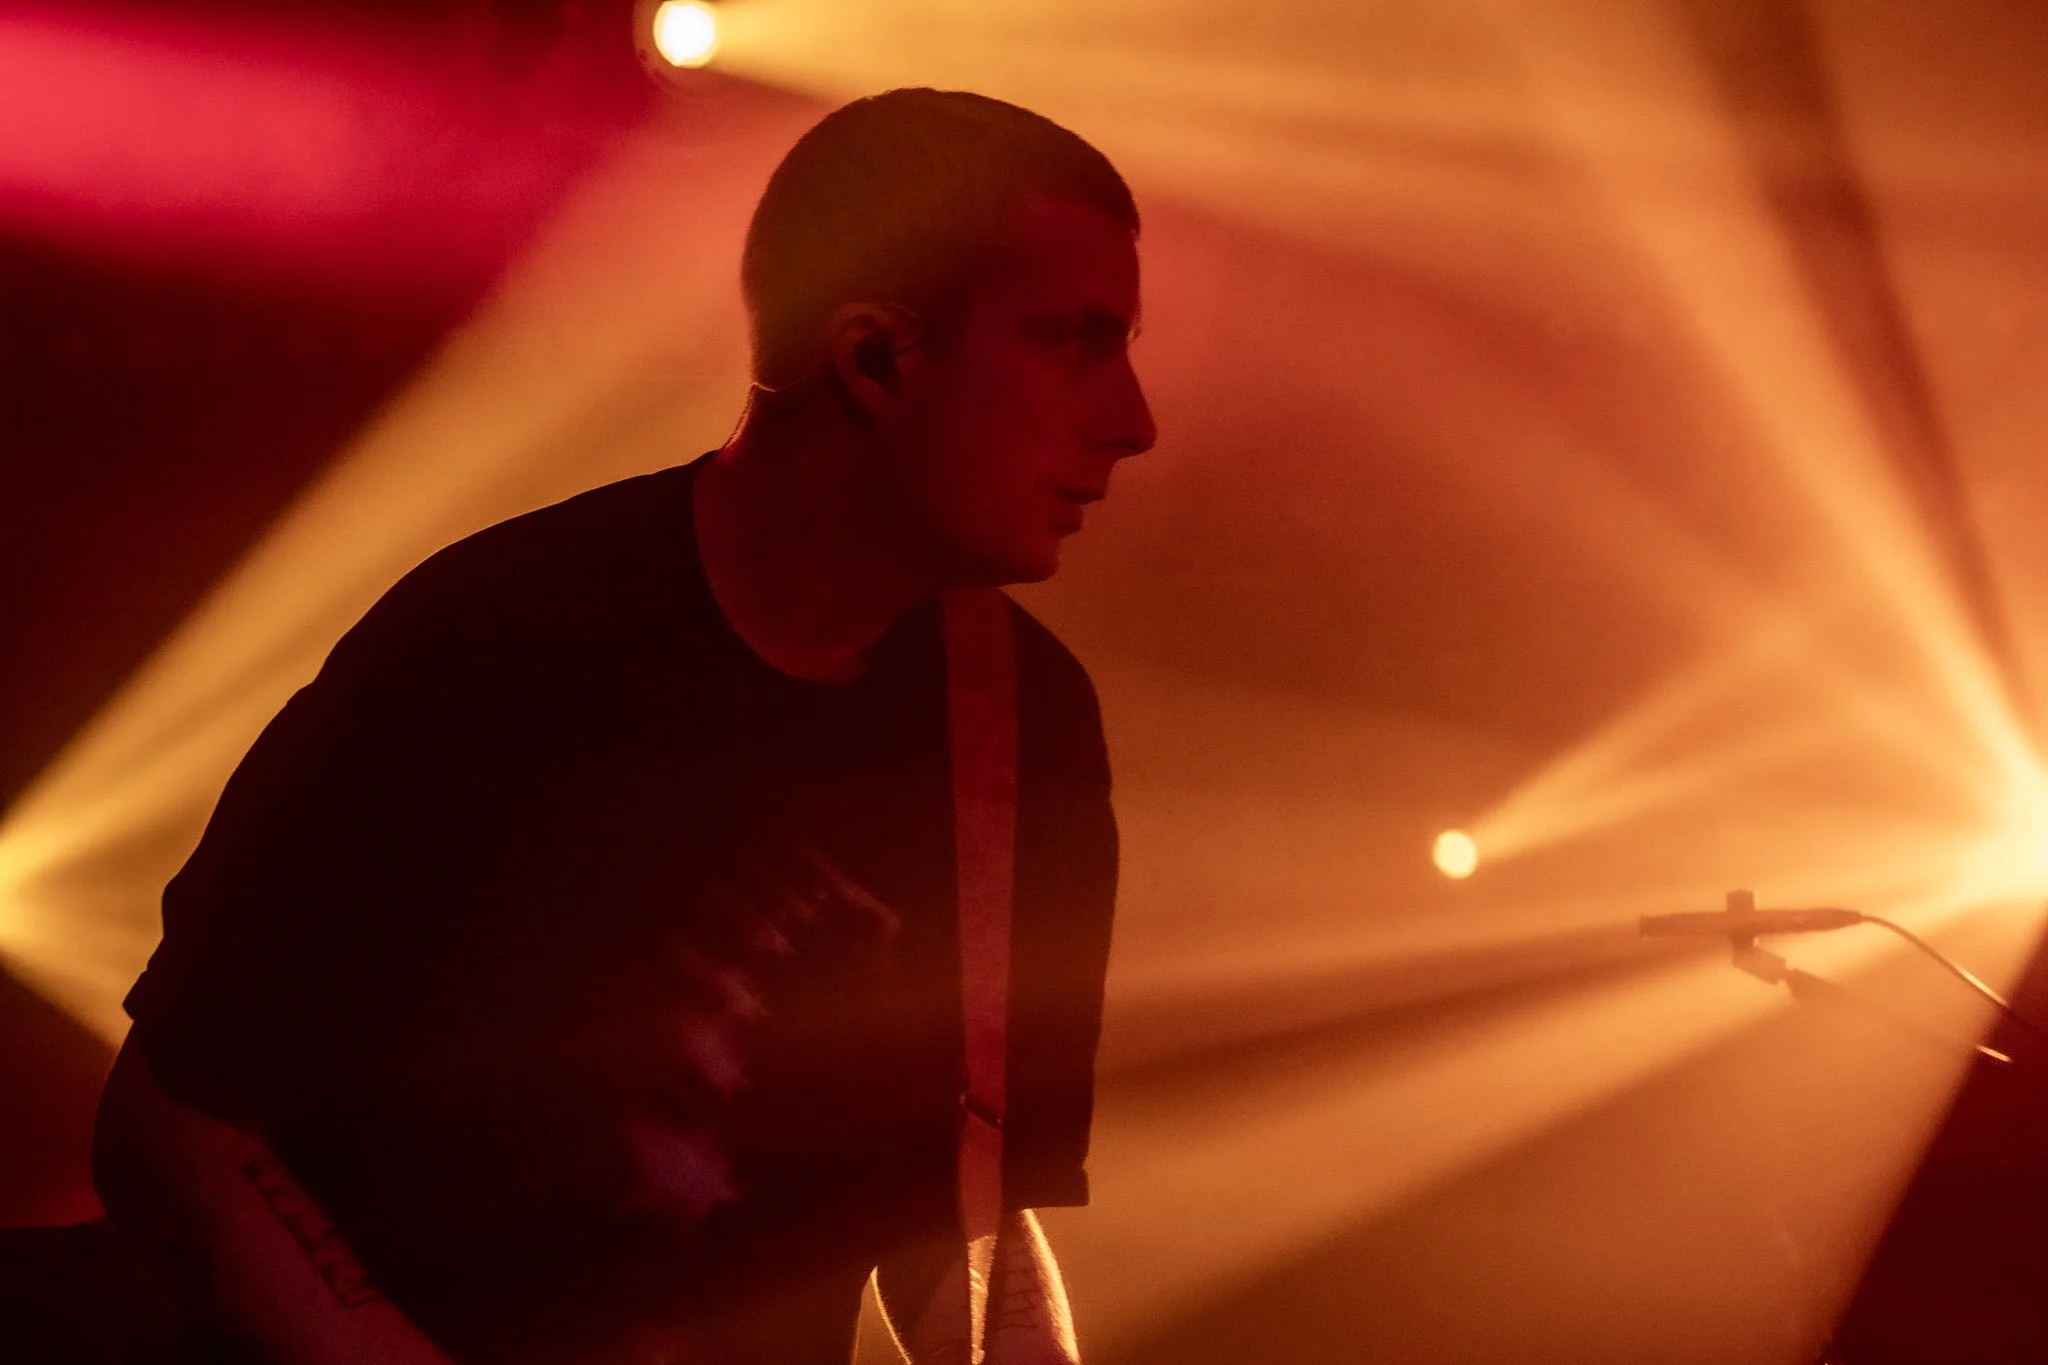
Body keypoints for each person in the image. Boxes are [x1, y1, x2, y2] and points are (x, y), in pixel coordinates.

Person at [92, 87, 1155, 1365]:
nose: (1132, 419)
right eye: (1072, 342)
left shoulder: (1024, 722)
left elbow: (951, 1208)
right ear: (876, 357)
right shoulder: (496, 643)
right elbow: (173, 1126)